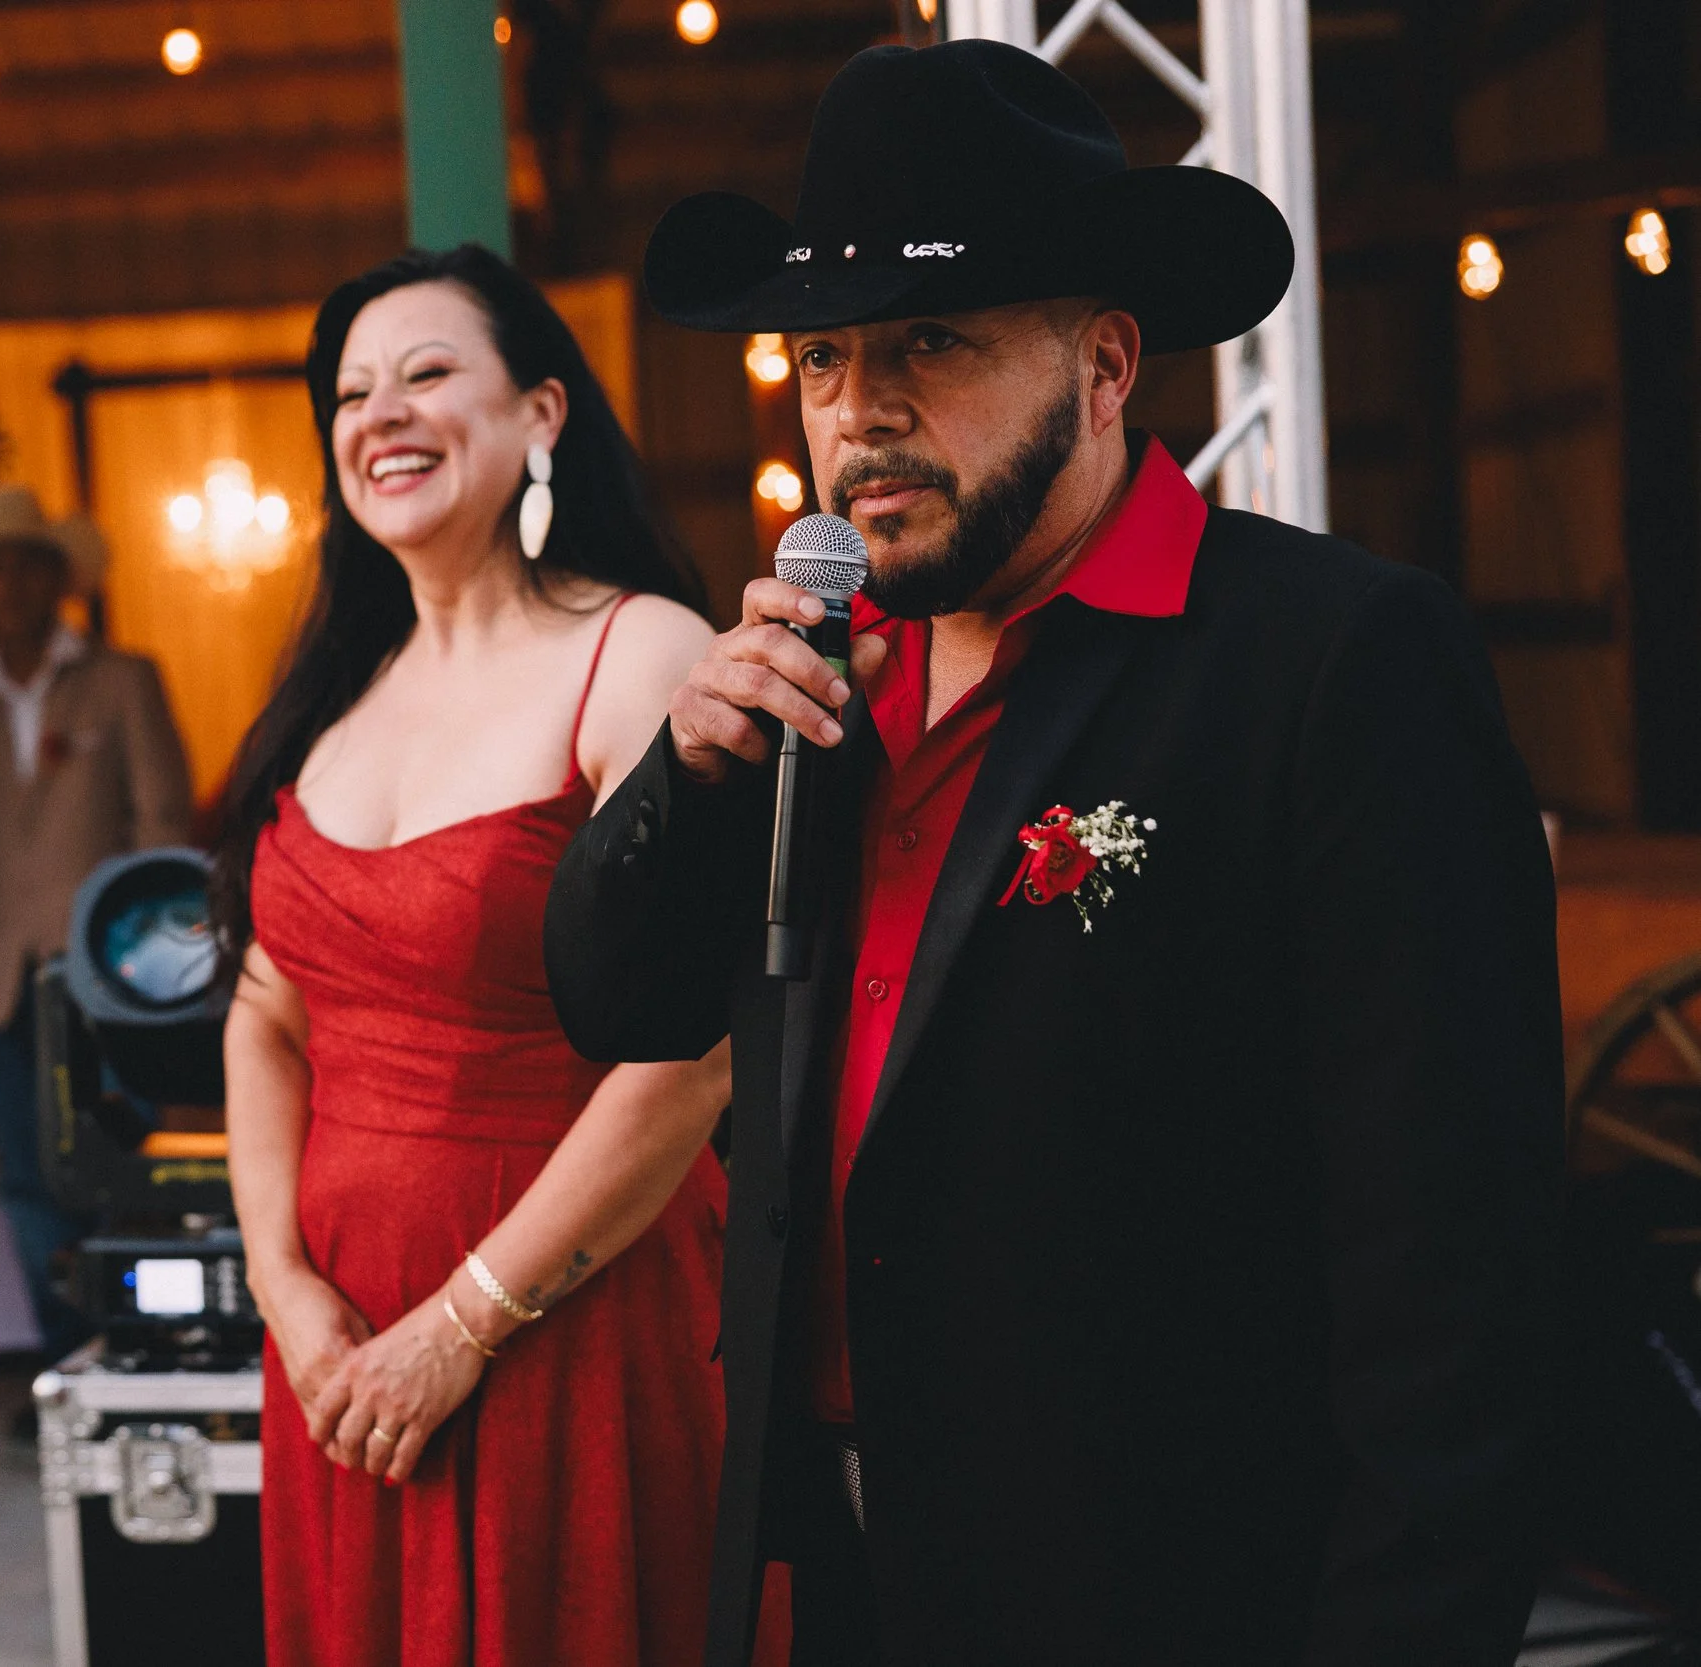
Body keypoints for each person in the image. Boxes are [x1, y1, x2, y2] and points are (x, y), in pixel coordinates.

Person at [545, 41, 1562, 1667]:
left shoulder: (1331, 660)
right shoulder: (816, 675)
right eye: (820, 355)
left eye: (928, 343)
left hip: (1182, 1579)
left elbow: (1460, 1285)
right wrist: (690, 760)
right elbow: (610, 999)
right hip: (845, 1568)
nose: (857, 412)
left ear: (1105, 365)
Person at [216, 245, 741, 1667]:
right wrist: (284, 1286)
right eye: (351, 392)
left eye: (429, 372)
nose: (380, 411)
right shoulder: (334, 698)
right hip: (338, 1357)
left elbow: (693, 1052)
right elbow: (267, 1015)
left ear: (544, 414)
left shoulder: (639, 653)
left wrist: (463, 1323)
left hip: (565, 1313)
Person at [0, 485, 192, 1396]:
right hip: (4, 980)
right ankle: (72, 1367)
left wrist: (153, 967)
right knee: (31, 1181)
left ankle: (147, 1362)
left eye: (27, 561)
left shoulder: (123, 680)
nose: (9, 580)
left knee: (128, 1167)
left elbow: (163, 826)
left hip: (112, 972)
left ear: (60, 577)